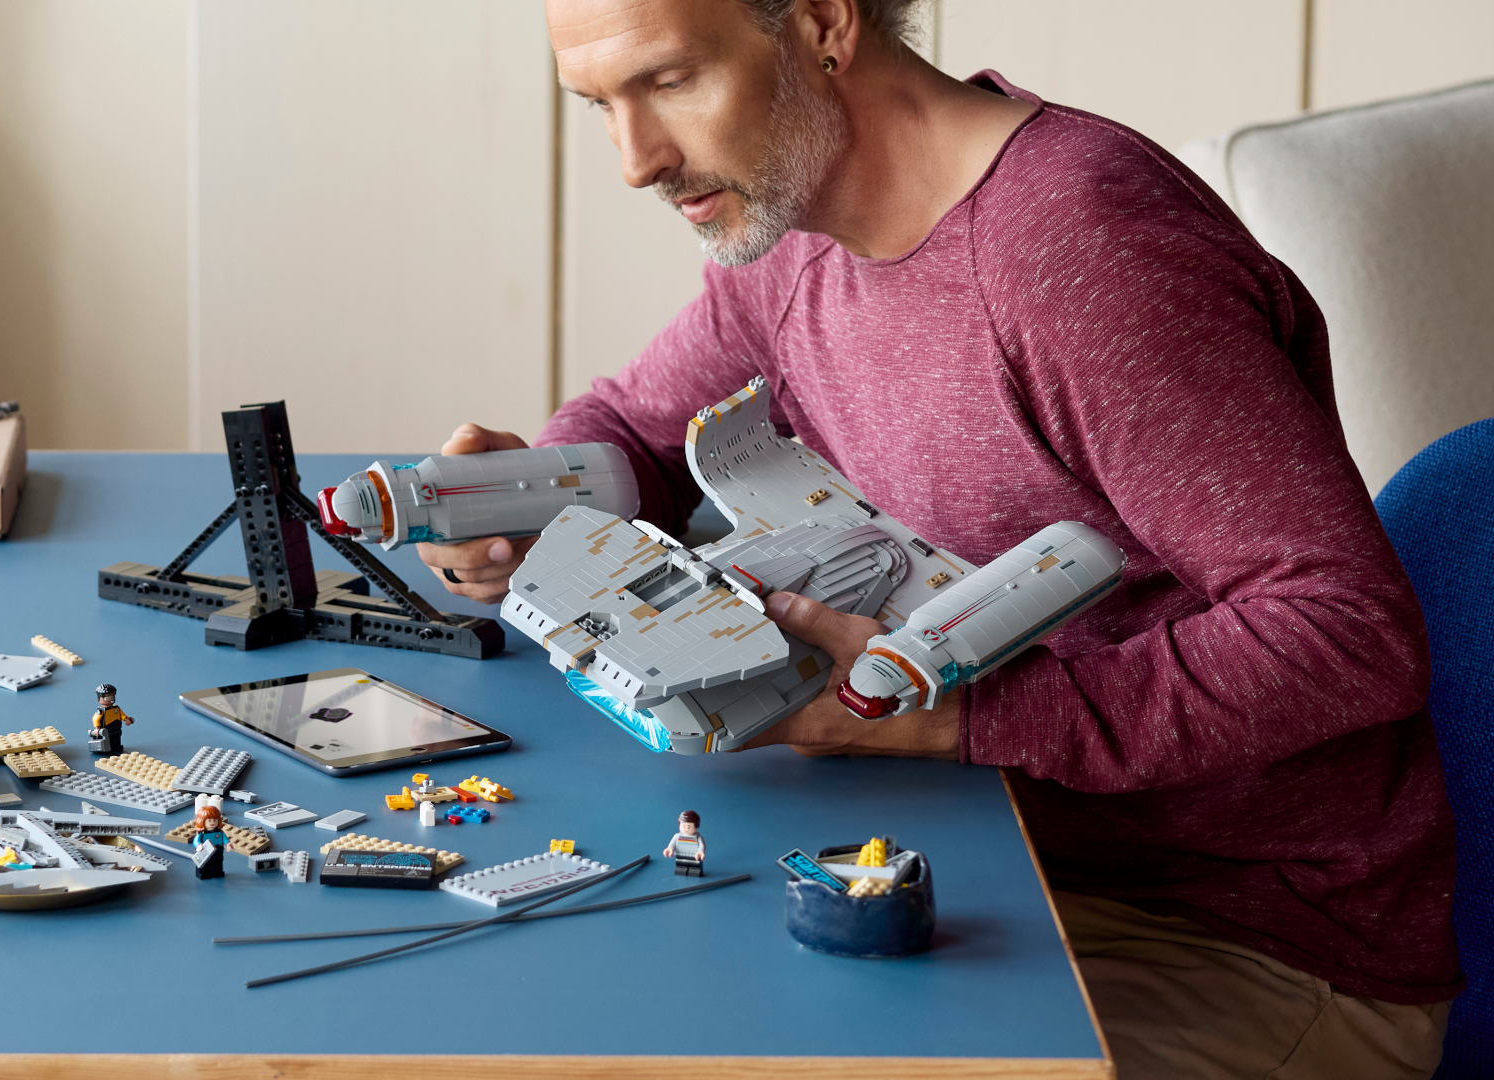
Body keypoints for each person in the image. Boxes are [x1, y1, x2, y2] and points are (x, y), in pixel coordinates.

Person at [417, 1, 1460, 1075]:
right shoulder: (792, 221)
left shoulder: (1083, 256)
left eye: (671, 81)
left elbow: (1350, 632)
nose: (635, 160)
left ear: (824, 24)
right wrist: (534, 502)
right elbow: (639, 427)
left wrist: (972, 715)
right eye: (600, 104)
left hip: (1227, 941)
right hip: (967, 855)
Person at [90, 683, 134, 756]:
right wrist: (97, 728)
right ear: (100, 698)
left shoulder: (116, 708)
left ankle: (116, 747)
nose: (111, 700)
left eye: (112, 697)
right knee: (108, 739)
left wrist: (126, 719)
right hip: (106, 729)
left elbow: (122, 715)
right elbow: (95, 719)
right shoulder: (101, 711)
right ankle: (108, 749)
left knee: (117, 737)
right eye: (108, 698)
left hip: (116, 727)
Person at [190, 795, 228, 880]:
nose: (212, 822)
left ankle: (217, 872)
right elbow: (196, 840)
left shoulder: (219, 832)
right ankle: (205, 874)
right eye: (209, 820)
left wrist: (228, 843)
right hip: (205, 851)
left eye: (215, 820)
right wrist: (199, 845)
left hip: (218, 850)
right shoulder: (202, 833)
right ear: (202, 821)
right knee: (205, 863)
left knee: (218, 862)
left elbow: (224, 839)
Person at [664, 810, 706, 876]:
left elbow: (702, 845)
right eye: (683, 826)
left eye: (689, 827)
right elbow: (672, 844)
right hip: (680, 855)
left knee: (695, 867)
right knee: (681, 865)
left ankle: (695, 871)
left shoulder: (698, 838)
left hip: (694, 856)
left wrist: (700, 851)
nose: (686, 829)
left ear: (696, 826)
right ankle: (681, 869)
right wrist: (670, 848)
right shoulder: (677, 836)